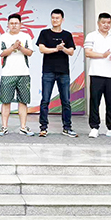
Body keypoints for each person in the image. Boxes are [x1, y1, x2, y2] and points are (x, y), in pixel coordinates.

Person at [37, 9, 78, 138]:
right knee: (45, 100)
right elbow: (42, 49)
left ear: (62, 20)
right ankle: (43, 128)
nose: (55, 20)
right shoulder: (44, 33)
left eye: (57, 18)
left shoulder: (67, 35)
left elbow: (71, 52)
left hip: (63, 72)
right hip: (48, 71)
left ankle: (67, 127)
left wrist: (63, 48)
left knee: (66, 101)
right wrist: (56, 49)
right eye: (53, 18)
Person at [84, 12, 111, 139]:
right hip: (96, 73)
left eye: (108, 23)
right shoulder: (91, 36)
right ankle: (94, 127)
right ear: (98, 23)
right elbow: (88, 53)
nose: (106, 25)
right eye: (103, 22)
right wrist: (102, 55)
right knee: (95, 101)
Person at [0, 13, 35, 136]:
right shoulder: (3, 37)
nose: (14, 25)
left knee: (23, 101)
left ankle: (23, 127)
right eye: (11, 23)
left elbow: (29, 53)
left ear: (20, 24)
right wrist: (13, 47)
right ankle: (4, 127)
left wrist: (20, 48)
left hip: (23, 73)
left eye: (16, 23)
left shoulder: (26, 36)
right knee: (5, 101)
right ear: (8, 25)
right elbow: (2, 53)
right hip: (7, 74)